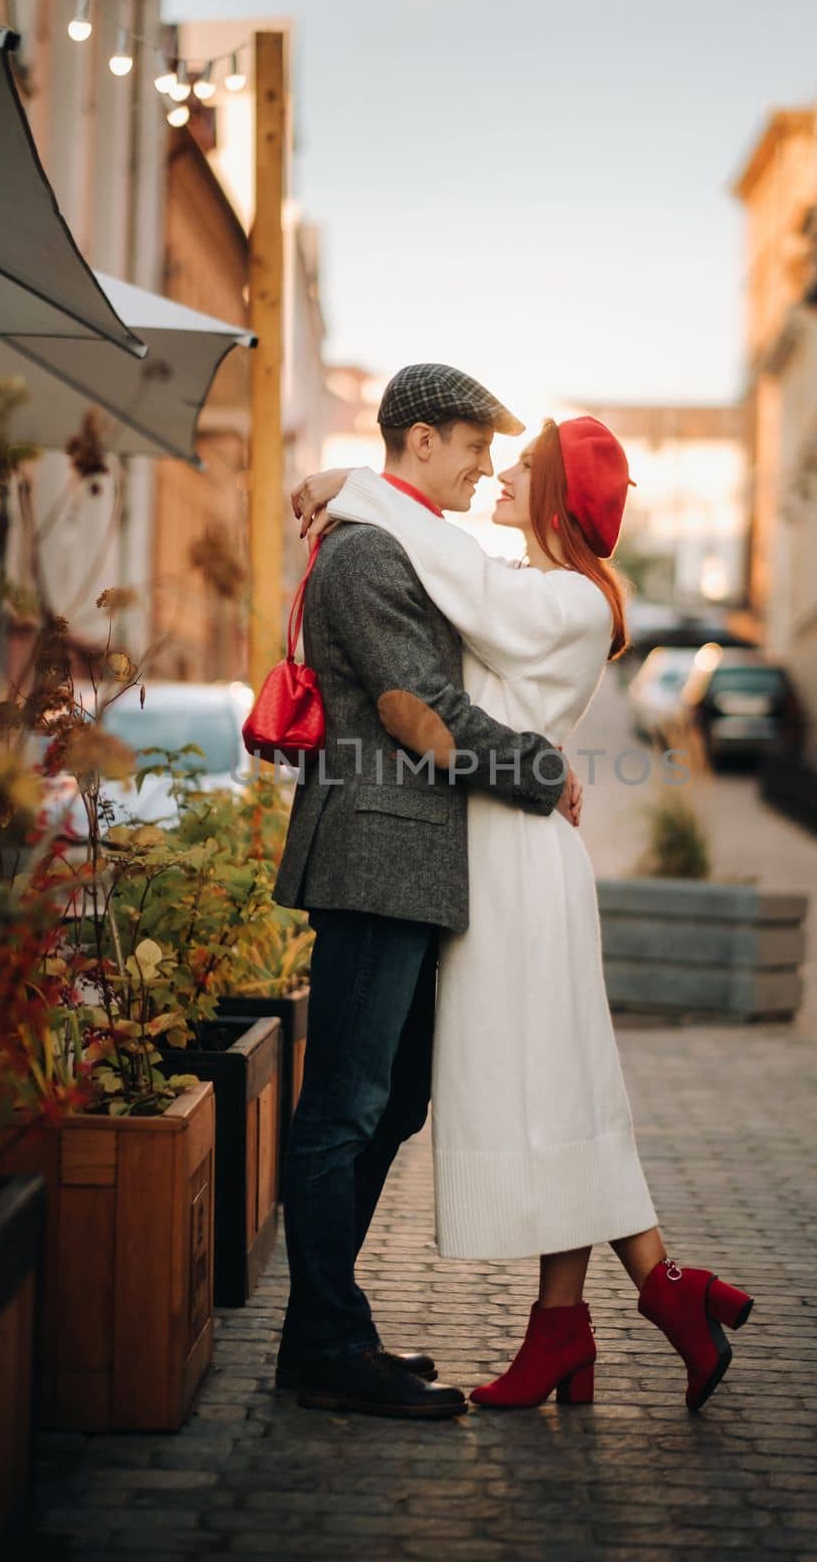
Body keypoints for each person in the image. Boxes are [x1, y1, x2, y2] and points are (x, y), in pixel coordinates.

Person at [294, 412, 754, 1414]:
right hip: (490, 851)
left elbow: (458, 580)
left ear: (554, 497)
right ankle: (592, 1318)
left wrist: (350, 483)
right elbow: (452, 592)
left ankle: (645, 1296)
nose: (499, 475)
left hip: (514, 865)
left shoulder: (562, 601)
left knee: (556, 1091)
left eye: (523, 468)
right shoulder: (542, 593)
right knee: (558, 1090)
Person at [272, 363, 585, 1421]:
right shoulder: (366, 555)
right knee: (345, 1108)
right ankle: (324, 1342)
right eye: (469, 444)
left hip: (408, 860)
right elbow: (420, 708)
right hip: (374, 850)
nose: (483, 466)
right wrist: (540, 769)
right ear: (416, 440)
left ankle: (323, 1327)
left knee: (391, 1099)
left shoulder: (397, 539)